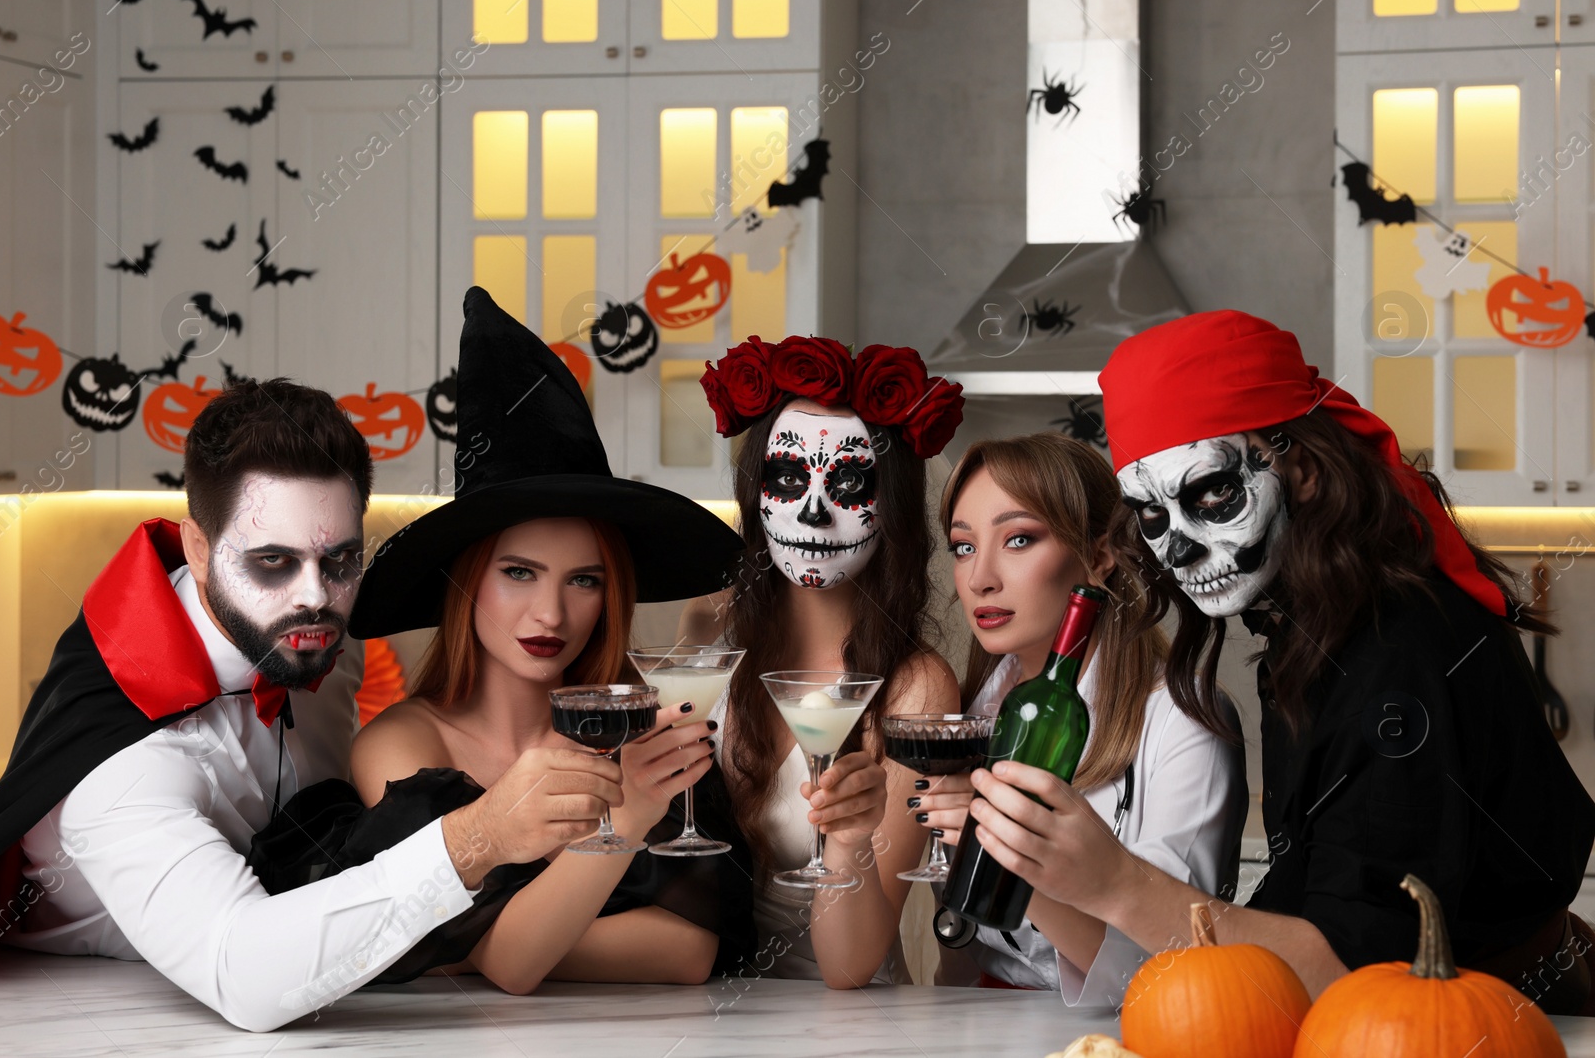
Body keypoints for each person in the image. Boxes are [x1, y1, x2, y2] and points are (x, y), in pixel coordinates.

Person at [959, 310, 1595, 1014]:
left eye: (1211, 494)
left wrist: (1114, 882)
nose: (1180, 552)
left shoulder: (1400, 655)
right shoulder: (1312, 631)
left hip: (1490, 1025)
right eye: (1152, 517)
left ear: (1304, 466)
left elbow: (1353, 968)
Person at [0, 376, 628, 1031]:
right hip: (100, 1015)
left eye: (340, 559)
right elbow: (242, 973)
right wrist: (479, 836)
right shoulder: (120, 769)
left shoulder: (320, 631)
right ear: (199, 549)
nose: (315, 598)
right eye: (272, 560)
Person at [286, 286, 755, 994]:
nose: (552, 613)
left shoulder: (646, 722)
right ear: (466, 580)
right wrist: (623, 818)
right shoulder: (402, 747)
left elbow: (686, 950)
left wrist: (464, 945)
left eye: (584, 580)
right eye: (518, 572)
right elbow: (512, 965)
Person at [919, 431, 1246, 1005]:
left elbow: (1165, 965)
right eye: (964, 546)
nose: (979, 579)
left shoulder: (1184, 717)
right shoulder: (974, 712)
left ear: (1098, 557)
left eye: (1019, 539)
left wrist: (1005, 848)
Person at [680, 335, 964, 987]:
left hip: (842, 1027)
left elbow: (852, 964)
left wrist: (849, 836)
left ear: (888, 503)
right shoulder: (706, 634)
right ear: (757, 491)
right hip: (700, 1011)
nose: (812, 508)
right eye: (786, 476)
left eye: (848, 481)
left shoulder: (916, 688)